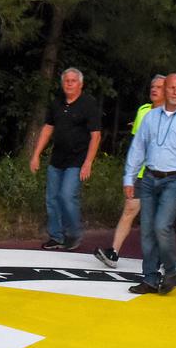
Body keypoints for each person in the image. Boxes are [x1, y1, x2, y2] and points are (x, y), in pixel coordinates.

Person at [123, 73, 176, 295]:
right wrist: (129, 177)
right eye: (171, 87)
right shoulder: (150, 117)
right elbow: (138, 148)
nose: (175, 92)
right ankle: (150, 278)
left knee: (162, 225)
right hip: (150, 178)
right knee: (147, 230)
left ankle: (171, 270)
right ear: (164, 89)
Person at [94, 74, 165, 268]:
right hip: (141, 173)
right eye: (152, 86)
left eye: (159, 86)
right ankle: (113, 252)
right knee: (129, 209)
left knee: (156, 218)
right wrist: (130, 172)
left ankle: (159, 257)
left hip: (160, 173)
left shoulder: (170, 115)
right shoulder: (143, 110)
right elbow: (136, 145)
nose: (154, 89)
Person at [30, 67, 101, 251]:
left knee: (67, 196)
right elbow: (47, 128)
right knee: (52, 198)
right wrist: (36, 154)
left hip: (77, 159)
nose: (69, 84)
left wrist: (88, 162)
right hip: (57, 158)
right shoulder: (57, 103)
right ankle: (56, 236)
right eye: (66, 81)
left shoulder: (88, 104)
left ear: (80, 84)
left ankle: (74, 234)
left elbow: (95, 135)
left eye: (73, 81)